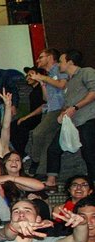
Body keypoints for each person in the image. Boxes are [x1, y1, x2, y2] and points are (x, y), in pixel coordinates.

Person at [26, 49, 68, 184]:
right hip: (51, 109)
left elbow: (62, 85)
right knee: (47, 141)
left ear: (50, 57)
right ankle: (42, 171)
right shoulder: (49, 74)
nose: (38, 60)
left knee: (38, 133)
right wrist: (43, 83)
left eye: (40, 57)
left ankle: (35, 160)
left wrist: (42, 78)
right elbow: (46, 98)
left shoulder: (58, 69)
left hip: (59, 109)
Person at [56, 49, 95, 183]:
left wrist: (76, 107)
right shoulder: (68, 82)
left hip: (90, 120)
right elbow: (68, 104)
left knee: (91, 155)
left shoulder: (86, 72)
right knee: (88, 156)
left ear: (70, 62)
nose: (58, 64)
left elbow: (94, 91)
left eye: (60, 61)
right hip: (78, 124)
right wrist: (63, 113)